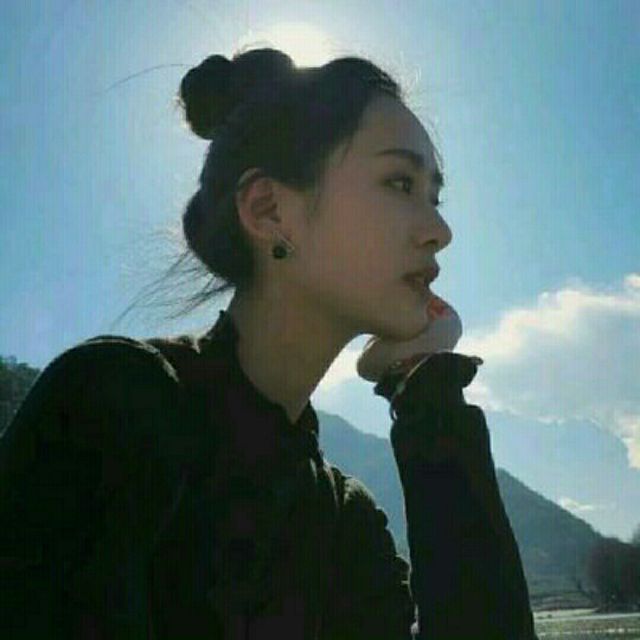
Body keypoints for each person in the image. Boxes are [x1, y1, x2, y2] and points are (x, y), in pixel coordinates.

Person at [0, 47, 538, 638]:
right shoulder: (114, 405)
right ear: (268, 209)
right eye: (399, 182)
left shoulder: (343, 520)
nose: (440, 230)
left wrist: (425, 388)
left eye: (434, 196)